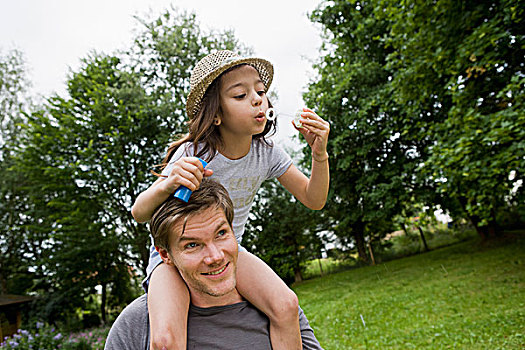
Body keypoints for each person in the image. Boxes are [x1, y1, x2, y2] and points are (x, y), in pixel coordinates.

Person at [131, 50, 330, 349]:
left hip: (228, 250)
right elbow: (139, 212)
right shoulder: (193, 154)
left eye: (260, 92)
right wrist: (169, 183)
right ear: (216, 114)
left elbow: (313, 199)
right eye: (241, 95)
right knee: (165, 340)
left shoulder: (267, 152)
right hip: (174, 259)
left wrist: (319, 154)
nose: (257, 99)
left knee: (286, 305)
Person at [106, 179, 323, 349]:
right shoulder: (136, 324)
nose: (215, 256)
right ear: (165, 255)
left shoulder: (275, 307)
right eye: (192, 245)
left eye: (221, 233)